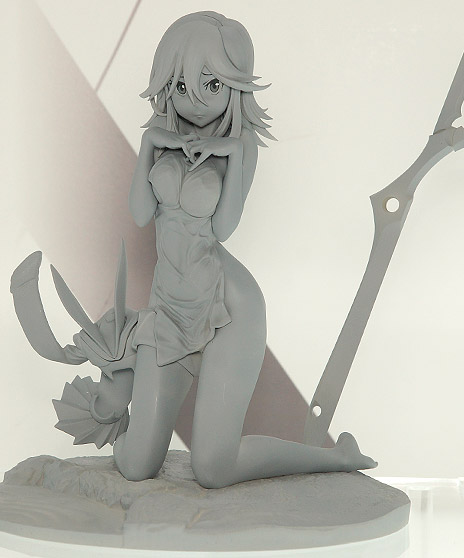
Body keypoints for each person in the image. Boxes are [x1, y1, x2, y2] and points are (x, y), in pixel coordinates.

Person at [92, 11, 378, 489]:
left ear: (235, 82)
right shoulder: (161, 138)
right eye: (180, 86)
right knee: (136, 465)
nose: (195, 100)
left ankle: (335, 458)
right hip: (168, 307)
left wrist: (232, 153)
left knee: (213, 468)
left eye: (211, 84)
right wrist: (151, 143)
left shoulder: (241, 143)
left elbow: (223, 229)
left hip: (229, 307)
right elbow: (141, 214)